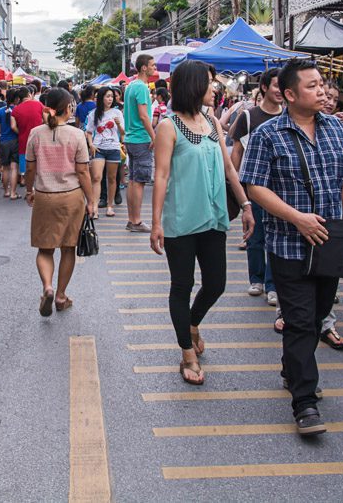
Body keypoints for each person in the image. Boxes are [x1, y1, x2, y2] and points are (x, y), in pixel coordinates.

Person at [239, 59, 343, 436]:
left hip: (329, 242)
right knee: (300, 320)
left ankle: (292, 368)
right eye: (312, 86)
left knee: (320, 312)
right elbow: (254, 186)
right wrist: (296, 217)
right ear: (289, 94)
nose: (322, 90)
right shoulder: (268, 134)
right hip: (288, 244)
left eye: (322, 84)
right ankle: (305, 402)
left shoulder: (337, 130)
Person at [150, 61, 254, 386]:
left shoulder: (211, 121)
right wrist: (156, 223)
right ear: (194, 86)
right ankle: (187, 354)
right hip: (181, 221)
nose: (215, 89)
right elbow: (162, 175)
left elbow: (228, 167)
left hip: (213, 218)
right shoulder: (168, 126)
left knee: (216, 284)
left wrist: (246, 204)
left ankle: (192, 323)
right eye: (210, 83)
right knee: (181, 286)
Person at [23, 88, 94, 316]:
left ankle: (48, 287)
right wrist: (91, 200)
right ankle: (61, 296)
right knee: (67, 248)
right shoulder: (77, 135)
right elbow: (83, 172)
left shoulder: (35, 134)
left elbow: (30, 168)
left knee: (45, 249)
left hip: (45, 196)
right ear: (69, 108)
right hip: (71, 197)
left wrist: (29, 190)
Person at [230, 68, 284, 306]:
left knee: (276, 237)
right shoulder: (249, 117)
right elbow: (237, 152)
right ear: (264, 88)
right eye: (275, 86)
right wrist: (237, 188)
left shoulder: (289, 116)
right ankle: (257, 279)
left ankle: (273, 285)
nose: (280, 91)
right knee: (255, 234)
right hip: (254, 186)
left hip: (281, 188)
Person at [123, 54, 158, 232]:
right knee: (139, 181)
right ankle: (136, 221)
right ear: (144, 67)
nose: (154, 68)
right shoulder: (142, 88)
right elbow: (144, 115)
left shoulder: (131, 86)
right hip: (140, 138)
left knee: (133, 180)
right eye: (152, 65)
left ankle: (132, 219)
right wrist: (154, 137)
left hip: (131, 138)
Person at [86, 87, 124, 219]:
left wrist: (118, 125)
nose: (110, 99)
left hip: (113, 148)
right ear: (101, 97)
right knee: (96, 177)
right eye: (107, 96)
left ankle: (110, 206)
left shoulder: (117, 113)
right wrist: (91, 144)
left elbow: (123, 133)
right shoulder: (93, 113)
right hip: (98, 149)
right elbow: (89, 132)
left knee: (112, 178)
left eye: (112, 97)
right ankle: (95, 207)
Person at [11, 85, 45, 186]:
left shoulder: (16, 110)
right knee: (39, 161)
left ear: (19, 98)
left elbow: (13, 126)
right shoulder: (39, 105)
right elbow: (47, 120)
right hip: (39, 138)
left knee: (25, 162)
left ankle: (27, 186)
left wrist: (20, 132)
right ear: (29, 94)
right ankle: (39, 185)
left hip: (23, 139)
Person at [0, 89, 23, 200]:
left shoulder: (0, 111)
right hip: (15, 141)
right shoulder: (18, 110)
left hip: (3, 141)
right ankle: (13, 193)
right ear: (16, 99)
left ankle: (6, 191)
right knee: (14, 168)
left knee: (5, 168)